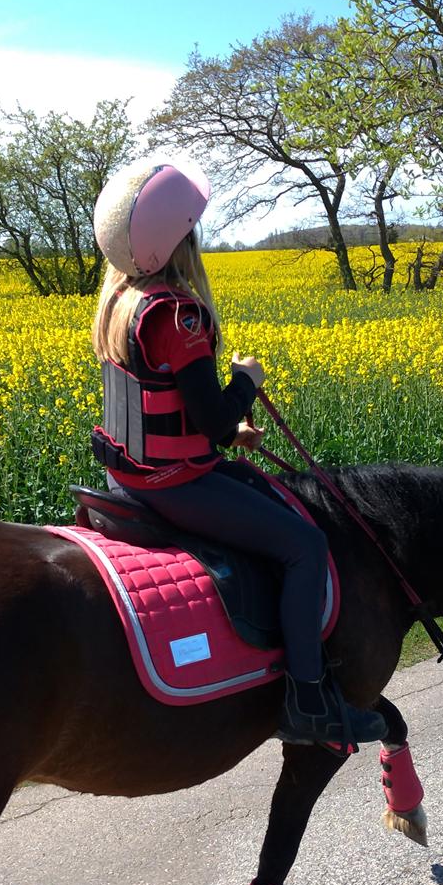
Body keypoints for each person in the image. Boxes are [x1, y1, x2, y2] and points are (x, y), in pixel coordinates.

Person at [90, 155, 386, 748]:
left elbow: (173, 407)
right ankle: (307, 699)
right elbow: (215, 418)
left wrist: (229, 436)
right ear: (179, 241)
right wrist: (246, 380)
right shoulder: (179, 312)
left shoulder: (122, 300)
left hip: (139, 473)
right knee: (305, 545)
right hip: (176, 482)